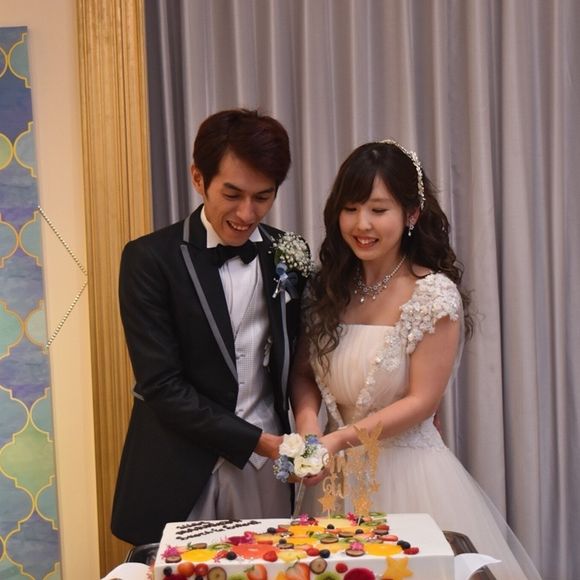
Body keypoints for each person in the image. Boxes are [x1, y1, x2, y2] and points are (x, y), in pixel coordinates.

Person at [290, 140, 540, 579]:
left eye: (378, 210)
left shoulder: (433, 294)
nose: (362, 224)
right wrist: (310, 431)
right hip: (332, 481)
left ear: (411, 214)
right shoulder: (326, 288)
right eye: (350, 208)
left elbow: (423, 401)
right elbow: (304, 374)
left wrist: (337, 440)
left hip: (409, 477)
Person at [111, 109, 311, 546]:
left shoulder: (289, 252)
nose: (247, 212)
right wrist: (259, 442)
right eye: (232, 194)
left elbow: (301, 359)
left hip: (265, 470)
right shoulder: (150, 259)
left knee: (267, 569)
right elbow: (162, 385)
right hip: (178, 464)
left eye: (263, 197)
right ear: (198, 179)